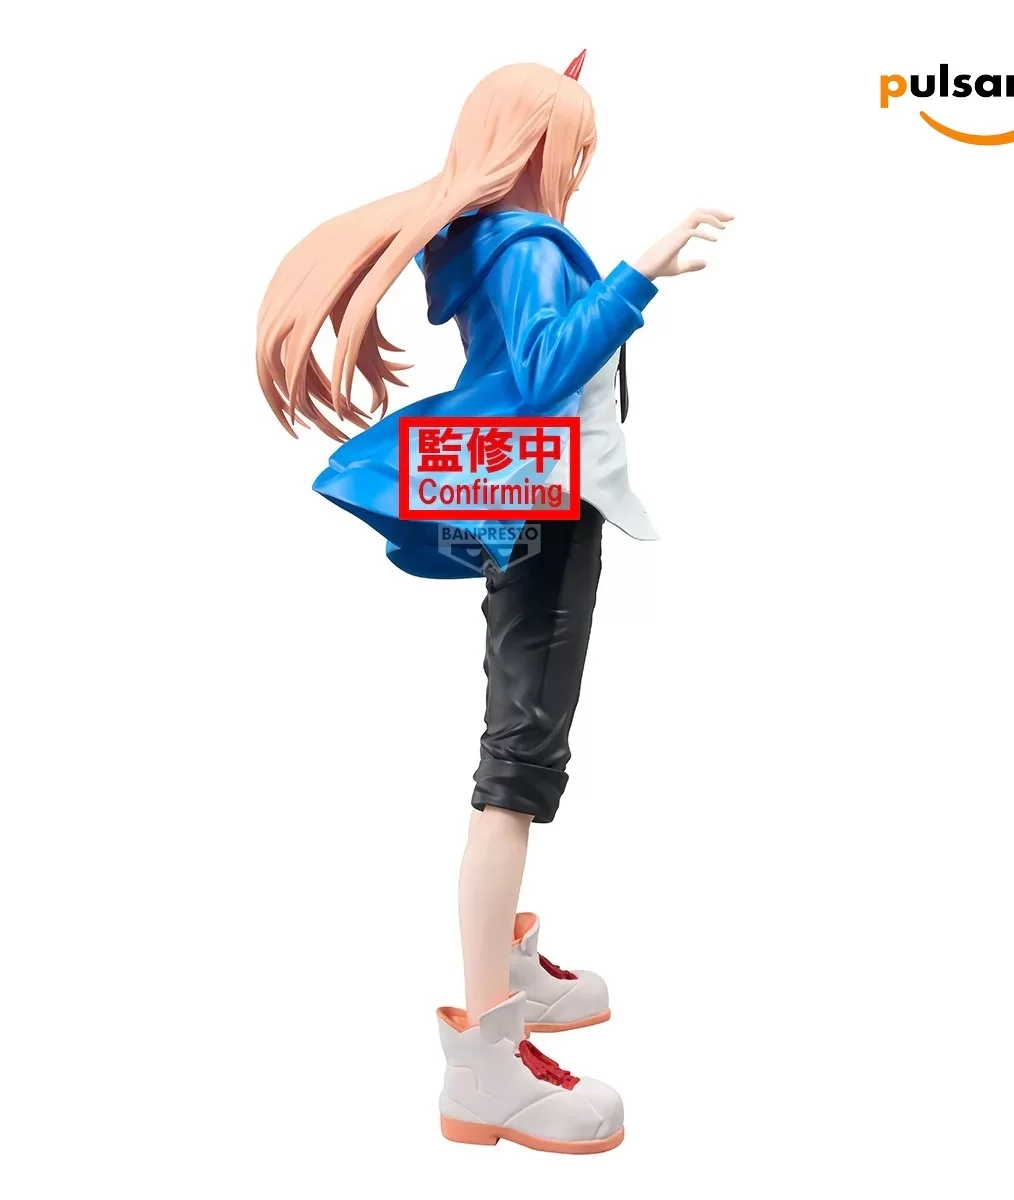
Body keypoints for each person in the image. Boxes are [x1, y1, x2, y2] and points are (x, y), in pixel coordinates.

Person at [255, 52, 731, 1153]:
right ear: (537, 146)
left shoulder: (495, 241)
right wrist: (641, 270)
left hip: (536, 500)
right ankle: (485, 1059)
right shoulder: (525, 248)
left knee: (524, 743)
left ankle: (505, 968)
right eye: (576, 145)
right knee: (516, 766)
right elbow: (546, 368)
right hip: (543, 507)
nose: (582, 164)